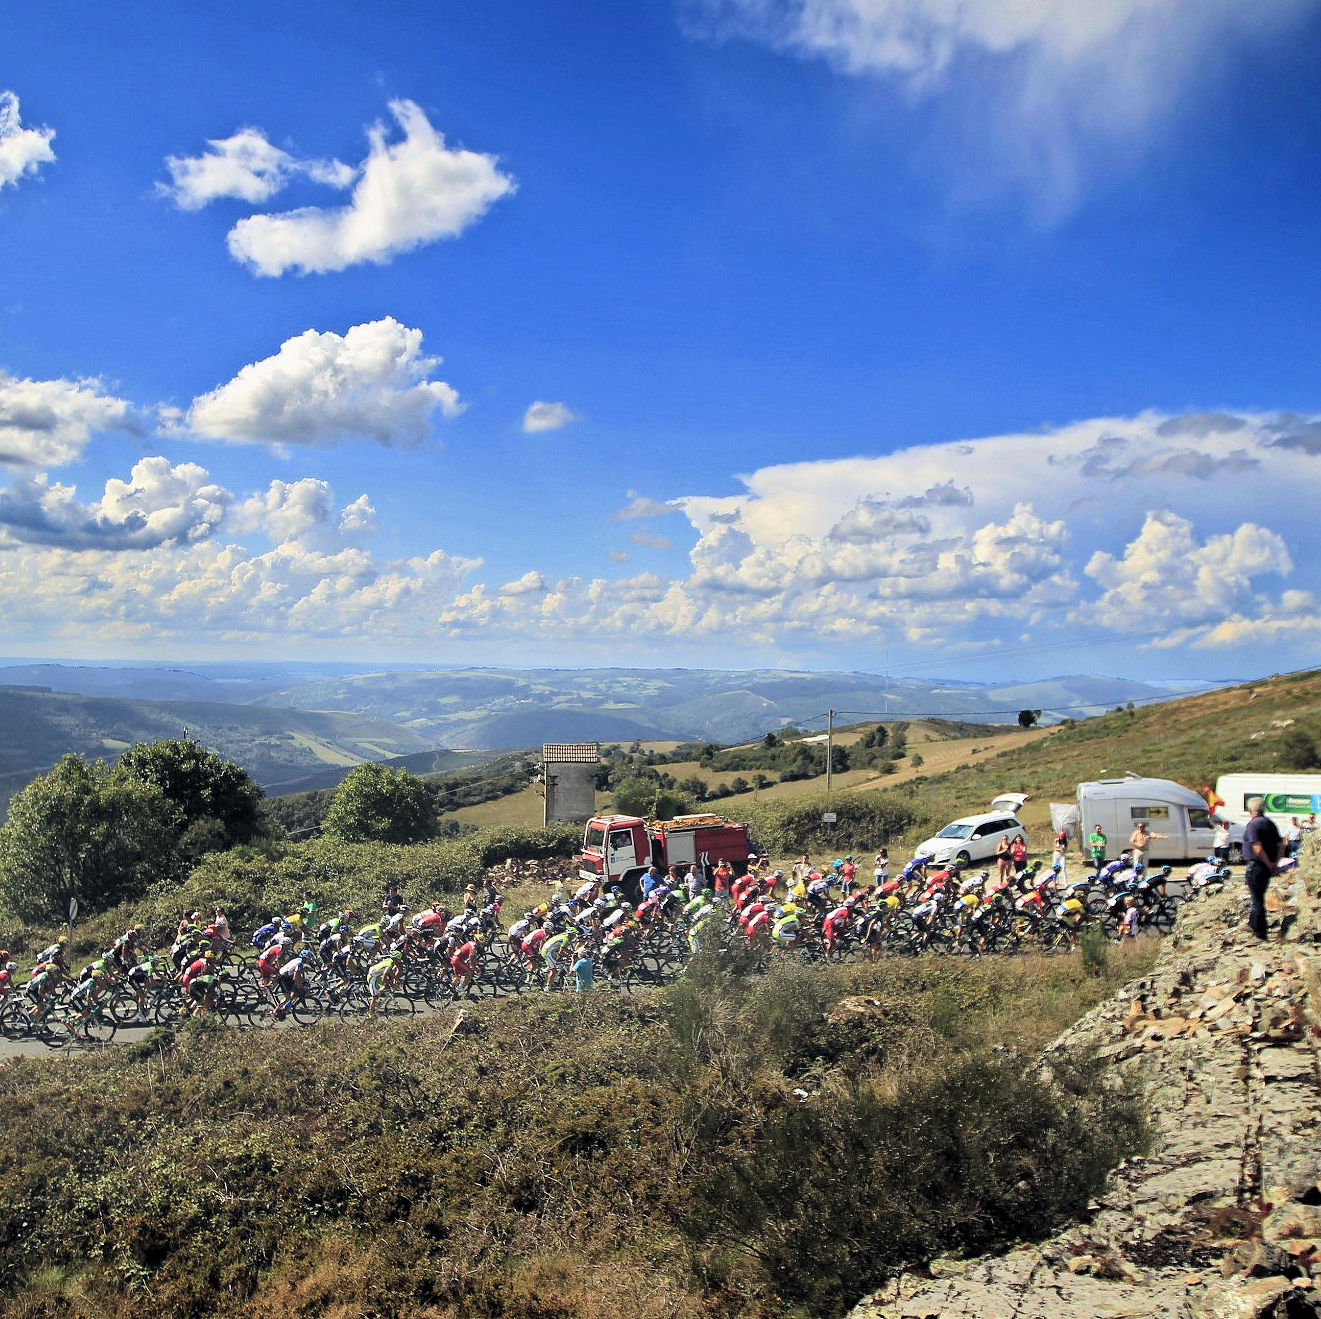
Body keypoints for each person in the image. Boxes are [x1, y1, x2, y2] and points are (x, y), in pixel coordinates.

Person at [1242, 797, 1283, 941]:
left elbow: (1257, 847)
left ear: (1251, 810)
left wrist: (1267, 863)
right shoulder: (1270, 823)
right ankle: (1253, 925)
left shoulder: (1253, 825)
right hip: (1266, 866)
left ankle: (1259, 932)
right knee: (1258, 898)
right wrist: (1274, 864)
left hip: (1257, 866)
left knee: (1256, 900)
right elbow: (1281, 845)